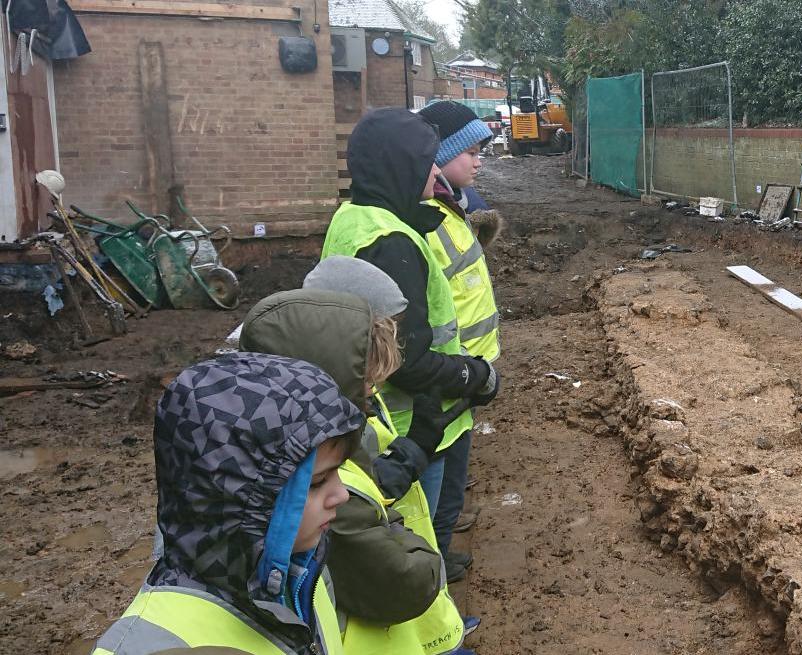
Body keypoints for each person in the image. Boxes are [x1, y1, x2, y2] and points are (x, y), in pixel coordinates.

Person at [240, 262, 472, 653]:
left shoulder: (337, 413)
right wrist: (416, 546)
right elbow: (395, 575)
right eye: (366, 377)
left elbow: (367, 482)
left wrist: (409, 454)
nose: (374, 388)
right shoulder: (306, 462)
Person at [91, 353, 365, 654]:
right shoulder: (144, 645)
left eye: (339, 472)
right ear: (235, 499)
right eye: (316, 482)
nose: (343, 494)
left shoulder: (301, 569)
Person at [321, 108, 499, 528]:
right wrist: (475, 376)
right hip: (410, 420)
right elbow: (407, 359)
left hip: (389, 413)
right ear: (401, 165)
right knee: (421, 525)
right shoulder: (391, 243)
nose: (434, 169)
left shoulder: (355, 218)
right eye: (426, 160)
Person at [415, 100, 503, 581]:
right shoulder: (426, 216)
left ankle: (441, 550)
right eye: (470, 151)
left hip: (466, 370)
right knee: (438, 478)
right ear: (440, 154)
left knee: (452, 478)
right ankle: (432, 565)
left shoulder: (451, 206)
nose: (479, 159)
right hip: (449, 371)